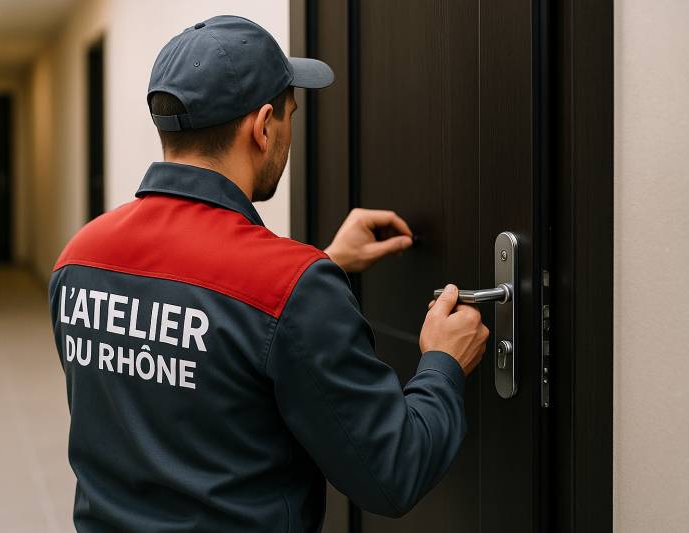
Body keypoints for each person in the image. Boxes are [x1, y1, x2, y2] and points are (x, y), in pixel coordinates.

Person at [49, 15, 489, 533]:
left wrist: (319, 268)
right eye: (290, 116)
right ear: (262, 127)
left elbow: (204, 342)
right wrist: (443, 362)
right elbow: (391, 472)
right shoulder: (289, 288)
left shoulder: (79, 258)